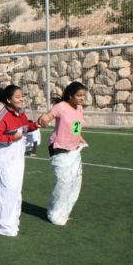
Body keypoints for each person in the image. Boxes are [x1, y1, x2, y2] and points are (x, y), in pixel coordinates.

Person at [0, 83, 39, 237]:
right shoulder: (0, 116)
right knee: (5, 190)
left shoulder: (20, 113)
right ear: (8, 99)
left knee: (15, 191)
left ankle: (11, 221)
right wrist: (12, 138)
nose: (21, 99)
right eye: (18, 97)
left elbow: (25, 127)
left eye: (22, 96)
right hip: (2, 159)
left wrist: (37, 124)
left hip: (16, 159)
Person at [37, 81, 88, 226]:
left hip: (74, 150)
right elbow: (47, 116)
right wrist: (43, 120)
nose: (82, 98)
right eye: (79, 95)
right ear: (71, 95)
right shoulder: (60, 107)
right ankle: (54, 214)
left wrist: (79, 138)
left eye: (83, 95)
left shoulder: (79, 108)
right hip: (59, 149)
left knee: (75, 182)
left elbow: (77, 127)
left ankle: (63, 211)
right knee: (63, 183)